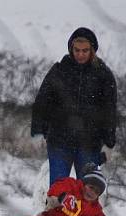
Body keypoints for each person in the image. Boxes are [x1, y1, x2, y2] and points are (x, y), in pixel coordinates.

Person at [31, 27, 117, 184]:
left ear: (92, 50)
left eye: (85, 50)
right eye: (77, 50)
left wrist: (109, 142)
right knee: (58, 190)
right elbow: (42, 102)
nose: (80, 54)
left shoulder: (103, 75)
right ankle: (56, 209)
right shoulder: (59, 70)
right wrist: (37, 130)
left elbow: (109, 111)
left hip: (90, 143)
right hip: (59, 141)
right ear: (71, 49)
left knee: (88, 191)